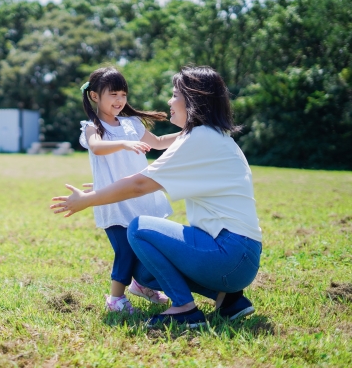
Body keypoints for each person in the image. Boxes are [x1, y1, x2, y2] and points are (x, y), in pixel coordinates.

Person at [51, 66, 262, 328]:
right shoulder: (209, 136)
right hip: (237, 255)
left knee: (138, 228)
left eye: (175, 95)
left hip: (230, 252)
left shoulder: (199, 138)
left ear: (193, 100)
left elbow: (139, 184)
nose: (169, 102)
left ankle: (185, 308)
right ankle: (227, 298)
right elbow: (141, 176)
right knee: (143, 271)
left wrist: (89, 198)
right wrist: (105, 186)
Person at [78, 67, 181, 314]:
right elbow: (97, 147)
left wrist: (189, 134)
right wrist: (124, 143)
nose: (119, 100)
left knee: (144, 244)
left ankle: (140, 285)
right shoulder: (92, 128)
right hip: (113, 201)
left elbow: (157, 143)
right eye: (113, 94)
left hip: (140, 197)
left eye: (123, 94)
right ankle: (115, 299)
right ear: (94, 96)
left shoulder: (132, 123)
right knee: (124, 249)